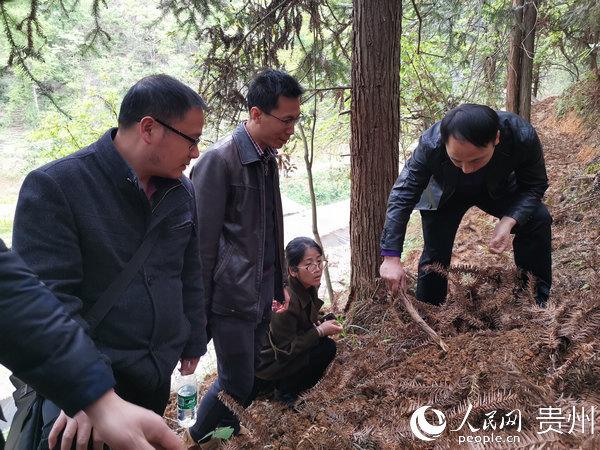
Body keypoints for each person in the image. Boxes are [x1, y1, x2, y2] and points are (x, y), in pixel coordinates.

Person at [11, 74, 208, 448]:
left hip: (154, 372)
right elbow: (48, 301)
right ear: (149, 128)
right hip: (90, 393)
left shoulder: (182, 192)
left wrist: (192, 339)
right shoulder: (57, 186)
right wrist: (81, 389)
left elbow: (187, 270)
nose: (196, 152)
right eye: (191, 139)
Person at [187, 69, 303, 444]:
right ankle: (199, 440)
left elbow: (269, 230)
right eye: (285, 120)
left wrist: (279, 282)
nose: (291, 129)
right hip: (229, 298)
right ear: (256, 114)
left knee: (247, 375)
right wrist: (199, 313)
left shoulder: (265, 157)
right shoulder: (219, 161)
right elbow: (201, 246)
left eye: (295, 120)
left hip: (256, 295)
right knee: (237, 381)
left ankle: (220, 436)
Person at [0, 239, 183, 450]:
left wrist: (91, 396)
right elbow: (47, 286)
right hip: (95, 368)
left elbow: (10, 292)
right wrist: (82, 398)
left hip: (142, 373)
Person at [380, 103, 552, 306]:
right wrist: (391, 256)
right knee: (435, 253)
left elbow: (535, 184)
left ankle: (535, 297)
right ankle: (430, 310)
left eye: (476, 160)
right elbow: (403, 194)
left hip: (496, 187)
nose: (467, 169)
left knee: (537, 218)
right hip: (444, 193)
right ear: (444, 143)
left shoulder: (520, 135)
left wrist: (509, 220)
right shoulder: (430, 143)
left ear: (496, 138)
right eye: (456, 160)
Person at [255, 237, 342, 405]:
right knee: (326, 349)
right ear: (292, 270)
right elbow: (284, 350)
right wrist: (319, 331)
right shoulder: (284, 300)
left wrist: (320, 324)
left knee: (324, 344)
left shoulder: (308, 284)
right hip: (269, 362)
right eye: (309, 264)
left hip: (284, 348)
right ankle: (285, 391)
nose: (317, 269)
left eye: (319, 261)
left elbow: (301, 322)